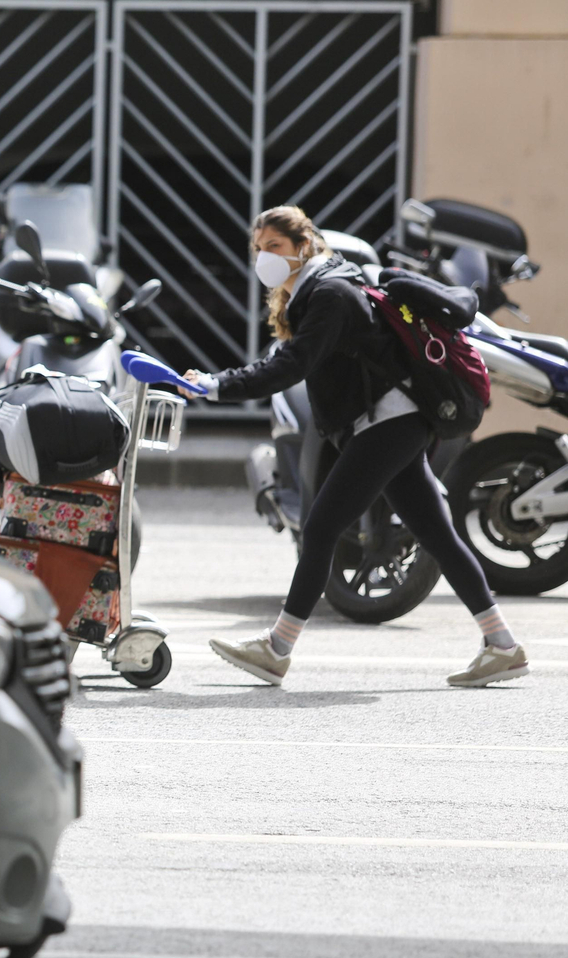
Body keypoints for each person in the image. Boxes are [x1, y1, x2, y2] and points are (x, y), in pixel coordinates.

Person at [181, 205, 527, 688]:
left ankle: (276, 649)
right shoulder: (319, 290)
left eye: (274, 246)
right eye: (258, 249)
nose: (264, 258)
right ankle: (503, 646)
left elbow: (291, 365)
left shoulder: (331, 293)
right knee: (437, 535)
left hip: (390, 424)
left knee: (320, 527)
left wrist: (217, 385)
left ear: (304, 246)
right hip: (393, 424)